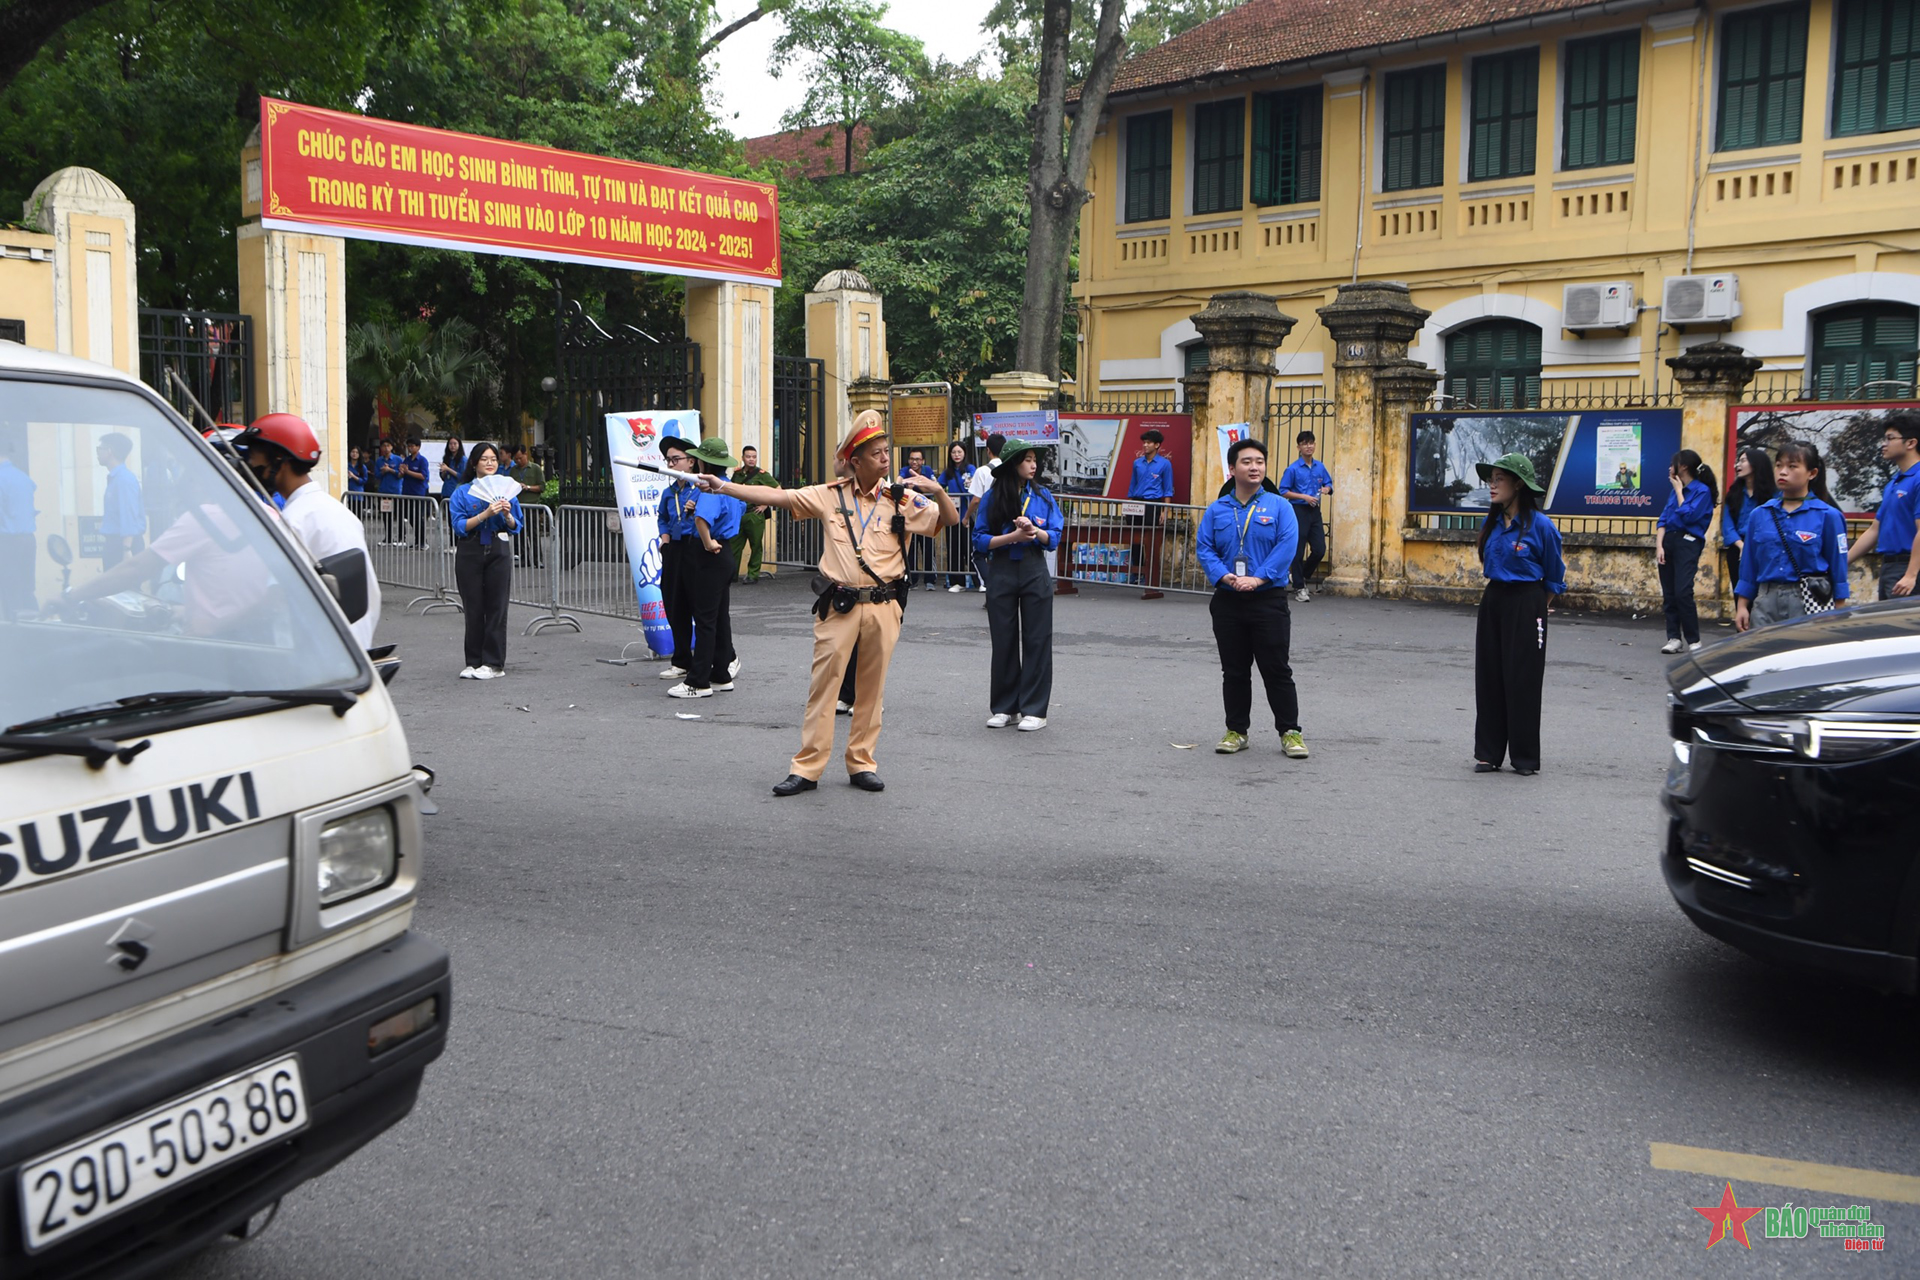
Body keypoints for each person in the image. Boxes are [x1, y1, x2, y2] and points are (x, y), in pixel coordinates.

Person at [690, 410, 958, 794]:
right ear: (855, 461)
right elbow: (777, 496)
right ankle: (807, 768)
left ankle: (861, 762)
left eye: (886, 451)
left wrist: (940, 493)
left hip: (884, 607)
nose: (885, 458)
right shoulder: (828, 495)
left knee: (871, 690)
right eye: (877, 453)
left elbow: (947, 521)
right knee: (824, 688)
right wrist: (724, 487)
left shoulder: (901, 499)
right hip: (840, 605)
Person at [1197, 438, 1307, 758]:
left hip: (1267, 600)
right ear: (1232, 469)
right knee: (1234, 670)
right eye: (1247, 462)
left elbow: (1287, 545)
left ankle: (1290, 732)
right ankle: (1236, 730)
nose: (1254, 467)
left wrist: (1258, 578)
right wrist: (1224, 576)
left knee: (1276, 669)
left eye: (1259, 461)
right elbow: (1205, 548)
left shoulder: (1279, 506)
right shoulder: (1217, 510)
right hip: (1228, 600)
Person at [238, 412, 381, 648]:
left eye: (254, 457)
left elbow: (274, 598)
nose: (250, 465)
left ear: (278, 461)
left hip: (319, 655)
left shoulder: (294, 521)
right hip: (353, 648)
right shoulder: (336, 509)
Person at [1471, 453, 1566, 777]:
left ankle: (1524, 757)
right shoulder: (1493, 523)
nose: (1492, 485)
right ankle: (1488, 753)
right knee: (1489, 675)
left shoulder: (1542, 526)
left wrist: (1537, 606)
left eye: (1499, 479)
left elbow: (1554, 574)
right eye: (1491, 479)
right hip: (1494, 599)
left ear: (1518, 484)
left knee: (1523, 678)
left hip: (1528, 601)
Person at [974, 439, 1064, 731]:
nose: (1033, 464)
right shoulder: (992, 497)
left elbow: (1055, 536)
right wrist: (1011, 537)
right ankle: (1005, 707)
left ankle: (1035, 710)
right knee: (1003, 639)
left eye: (1034, 460)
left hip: (1033, 568)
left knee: (1037, 639)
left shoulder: (1043, 495)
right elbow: (980, 539)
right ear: (1013, 464)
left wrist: (1034, 531)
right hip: (1001, 569)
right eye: (1027, 459)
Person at [1735, 440, 1850, 631]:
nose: (1782, 472)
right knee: (1762, 656)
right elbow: (1749, 565)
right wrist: (1742, 606)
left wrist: (1838, 611)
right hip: (1765, 600)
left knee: (1804, 657)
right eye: (1779, 465)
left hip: (1808, 601)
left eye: (1792, 466)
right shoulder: (1760, 514)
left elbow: (1838, 567)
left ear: (1811, 473)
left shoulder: (1828, 516)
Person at [670, 438, 746, 699]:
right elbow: (738, 510)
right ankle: (720, 675)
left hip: (709, 556)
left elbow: (703, 520)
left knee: (704, 620)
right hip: (726, 553)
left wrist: (707, 541)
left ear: (703, 462)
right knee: (719, 617)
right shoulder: (731, 487)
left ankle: (698, 681)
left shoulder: (709, 491)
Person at [446, 442, 521, 679]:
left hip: (498, 548)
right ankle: (473, 661)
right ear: (474, 463)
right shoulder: (462, 492)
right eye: (484, 459)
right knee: (473, 607)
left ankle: (493, 663)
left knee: (497, 607)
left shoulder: (506, 489)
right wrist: (484, 515)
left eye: (493, 459)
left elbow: (517, 526)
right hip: (470, 549)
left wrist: (507, 514)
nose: (489, 463)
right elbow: (458, 526)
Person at [1846, 413, 1920, 600]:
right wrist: (1841, 562)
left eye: (1890, 438)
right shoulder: (1894, 482)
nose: (1883, 444)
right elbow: (1874, 530)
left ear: (1911, 443)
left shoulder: (1918, 478)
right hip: (1889, 567)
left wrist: (1911, 575)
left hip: (1909, 567)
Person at [1654, 449, 1718, 654]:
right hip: (1669, 541)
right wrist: (1659, 546)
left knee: (1683, 591)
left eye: (1673, 464)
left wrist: (1680, 491)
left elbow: (1689, 516)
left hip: (1688, 542)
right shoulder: (1674, 491)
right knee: (1669, 593)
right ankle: (1673, 638)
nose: (1669, 468)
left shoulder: (1702, 491)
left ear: (1683, 467)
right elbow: (1663, 519)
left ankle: (1694, 640)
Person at [654, 435, 698, 682]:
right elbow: (662, 517)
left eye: (675, 459)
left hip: (695, 549)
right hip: (674, 551)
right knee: (674, 603)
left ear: (691, 462)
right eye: (668, 460)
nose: (670, 465)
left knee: (698, 606)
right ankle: (681, 660)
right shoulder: (669, 492)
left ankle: (709, 659)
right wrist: (665, 537)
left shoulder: (700, 488)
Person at [1277, 431, 1333, 603]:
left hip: (1314, 512)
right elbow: (1283, 491)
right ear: (1299, 447)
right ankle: (1300, 587)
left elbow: (1329, 483)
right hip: (1298, 511)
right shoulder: (1292, 469)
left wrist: (1327, 489)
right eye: (1305, 443)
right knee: (1298, 549)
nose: (1309, 446)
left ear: (1315, 445)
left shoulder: (1320, 467)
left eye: (1311, 443)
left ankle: (1300, 576)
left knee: (1319, 549)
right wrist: (1303, 497)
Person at [1720, 446, 1776, 610]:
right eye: (1738, 460)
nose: (1737, 465)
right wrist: (1742, 546)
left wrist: (1752, 547)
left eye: (1743, 461)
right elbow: (1728, 526)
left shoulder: (1773, 495)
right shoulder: (1734, 493)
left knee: (1762, 596)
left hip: (1763, 548)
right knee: (1741, 596)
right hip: (1738, 550)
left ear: (1756, 464)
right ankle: (1742, 634)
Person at [1127, 428, 1175, 599]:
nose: (1145, 445)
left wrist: (1165, 511)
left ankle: (1150, 576)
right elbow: (1132, 485)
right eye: (1144, 442)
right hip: (1137, 503)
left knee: (1151, 541)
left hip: (1153, 504)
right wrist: (1130, 505)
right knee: (1135, 540)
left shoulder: (1164, 464)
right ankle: (1135, 573)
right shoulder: (1137, 463)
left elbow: (1168, 490)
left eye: (1148, 442)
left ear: (1157, 445)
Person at [728, 444, 780, 582]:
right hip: (739, 514)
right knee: (734, 545)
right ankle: (731, 574)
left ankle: (753, 574)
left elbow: (778, 489)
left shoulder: (762, 475)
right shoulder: (737, 474)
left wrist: (765, 504)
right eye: (748, 457)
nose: (751, 459)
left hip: (754, 514)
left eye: (754, 457)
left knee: (755, 545)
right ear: (743, 458)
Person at [0, 429, 36, 620]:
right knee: (27, 589)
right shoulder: (23, 477)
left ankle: (15, 637)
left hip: (7, 542)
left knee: (9, 592)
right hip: (28, 540)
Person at [97, 431, 145, 569]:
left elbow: (129, 514)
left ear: (109, 451)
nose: (98, 453)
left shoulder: (124, 480)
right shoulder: (116, 478)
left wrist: (126, 550)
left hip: (123, 545)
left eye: (100, 449)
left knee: (126, 589)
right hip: (117, 543)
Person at [967, 432, 1005, 594]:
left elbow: (976, 499)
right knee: (1002, 554)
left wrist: (966, 516)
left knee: (978, 554)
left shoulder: (982, 471)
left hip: (987, 518)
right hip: (1006, 517)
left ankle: (991, 586)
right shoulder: (1010, 468)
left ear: (988, 450)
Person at [898, 448, 939, 589]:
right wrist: (903, 483)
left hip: (926, 516)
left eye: (917, 459)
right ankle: (912, 580)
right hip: (910, 516)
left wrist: (916, 486)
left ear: (922, 461)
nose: (914, 462)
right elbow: (899, 483)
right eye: (912, 459)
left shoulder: (927, 471)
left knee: (928, 547)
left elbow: (935, 488)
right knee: (911, 548)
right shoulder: (905, 470)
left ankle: (930, 580)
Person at [938, 441, 975, 591]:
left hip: (968, 514)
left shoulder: (971, 469)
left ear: (964, 453)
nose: (956, 455)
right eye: (954, 452)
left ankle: (979, 580)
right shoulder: (948, 472)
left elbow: (973, 489)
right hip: (952, 516)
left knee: (970, 549)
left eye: (959, 452)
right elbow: (938, 487)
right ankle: (956, 582)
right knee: (954, 549)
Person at [511, 443, 547, 569]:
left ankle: (538, 559)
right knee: (520, 534)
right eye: (516, 459)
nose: (518, 461)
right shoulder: (513, 471)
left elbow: (542, 487)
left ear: (526, 455)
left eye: (520, 458)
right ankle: (523, 558)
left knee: (534, 534)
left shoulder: (536, 468)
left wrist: (528, 487)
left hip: (532, 506)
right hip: (519, 506)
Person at [400, 438, 431, 546]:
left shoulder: (422, 460)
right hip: (407, 491)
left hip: (419, 492)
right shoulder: (407, 460)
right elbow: (401, 475)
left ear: (418, 447)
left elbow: (423, 476)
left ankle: (422, 541)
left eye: (413, 446)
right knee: (409, 516)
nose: (410, 448)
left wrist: (408, 471)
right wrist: (401, 471)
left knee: (419, 517)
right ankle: (418, 539)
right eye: (409, 446)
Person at [375, 440, 404, 543]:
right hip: (384, 491)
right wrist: (383, 471)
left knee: (399, 515)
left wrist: (390, 470)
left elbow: (401, 474)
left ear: (391, 447)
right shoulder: (379, 461)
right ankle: (388, 537)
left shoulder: (398, 459)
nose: (386, 448)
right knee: (386, 516)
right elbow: (376, 475)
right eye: (384, 446)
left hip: (396, 491)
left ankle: (401, 537)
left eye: (388, 445)